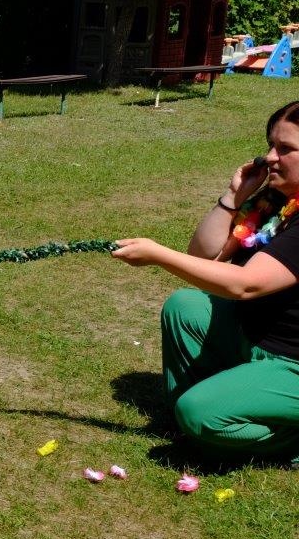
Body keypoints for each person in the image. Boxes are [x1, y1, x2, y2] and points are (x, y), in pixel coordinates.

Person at [114, 100, 299, 464]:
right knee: (186, 306)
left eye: (285, 148)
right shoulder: (275, 202)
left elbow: (246, 284)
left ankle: (282, 441)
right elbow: (204, 256)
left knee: (199, 414)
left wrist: (158, 254)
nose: (269, 157)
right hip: (255, 337)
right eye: (270, 145)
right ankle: (198, 421)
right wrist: (232, 197)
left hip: (293, 363)